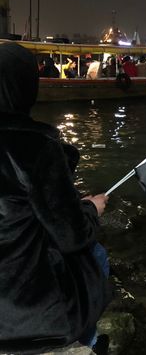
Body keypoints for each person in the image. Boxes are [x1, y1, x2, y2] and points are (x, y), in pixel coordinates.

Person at [0, 43, 112, 355]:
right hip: (25, 316)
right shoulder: (34, 146)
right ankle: (87, 342)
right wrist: (91, 208)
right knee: (96, 255)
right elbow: (71, 235)